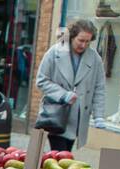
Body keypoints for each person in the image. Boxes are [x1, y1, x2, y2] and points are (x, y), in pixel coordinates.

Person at [35, 18, 106, 151]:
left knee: (65, 154)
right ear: (72, 36)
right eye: (80, 40)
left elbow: (99, 88)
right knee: (61, 156)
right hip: (56, 114)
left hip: (77, 119)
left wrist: (99, 116)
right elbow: (41, 80)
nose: (83, 45)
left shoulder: (95, 58)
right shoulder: (55, 52)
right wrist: (63, 95)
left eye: (87, 41)